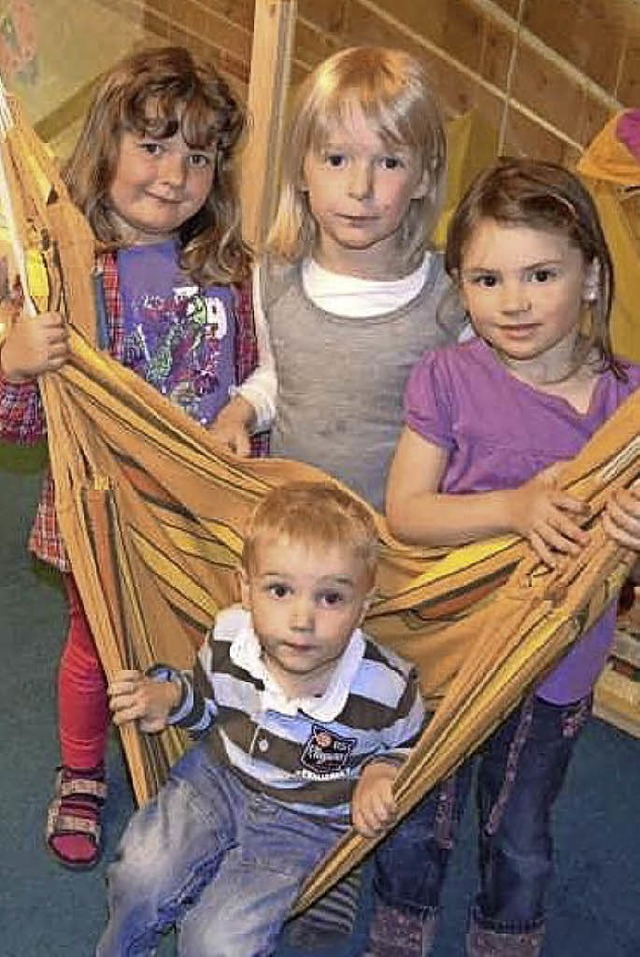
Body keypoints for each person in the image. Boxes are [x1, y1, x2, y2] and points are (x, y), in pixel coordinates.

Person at [0, 45, 271, 870]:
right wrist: (15, 359)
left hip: (202, 517)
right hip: (103, 513)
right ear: (108, 146)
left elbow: (258, 379)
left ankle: (195, 753)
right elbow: (17, 426)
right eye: (152, 146)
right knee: (98, 648)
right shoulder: (62, 271)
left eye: (197, 155)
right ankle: (82, 772)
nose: (174, 174)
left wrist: (244, 426)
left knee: (209, 644)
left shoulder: (227, 267)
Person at [372, 158, 640, 956]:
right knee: (421, 806)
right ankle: (398, 933)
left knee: (519, 827)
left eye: (541, 274)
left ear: (592, 276)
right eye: (486, 278)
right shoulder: (448, 377)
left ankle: (506, 937)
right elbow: (408, 512)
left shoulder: (626, 407)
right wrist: (516, 510)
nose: (513, 301)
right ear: (460, 282)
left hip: (555, 666)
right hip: (448, 645)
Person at [96, 481, 426, 957]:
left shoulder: (385, 686)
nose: (301, 618)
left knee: (217, 942)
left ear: (364, 607)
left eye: (330, 598)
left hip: (302, 824)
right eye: (280, 590)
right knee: (138, 876)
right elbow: (207, 702)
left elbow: (412, 740)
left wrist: (382, 770)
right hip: (216, 779)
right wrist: (167, 696)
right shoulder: (231, 637)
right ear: (245, 590)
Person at [210, 45, 467, 511]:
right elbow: (280, 377)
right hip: (294, 540)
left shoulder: (452, 300)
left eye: (389, 163)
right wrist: (239, 413)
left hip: (397, 548)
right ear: (302, 171)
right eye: (336, 160)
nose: (359, 188)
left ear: (425, 179)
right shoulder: (274, 280)